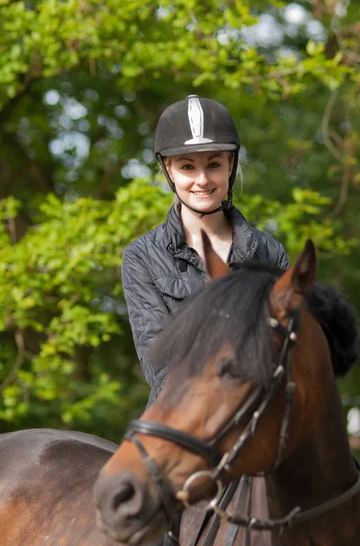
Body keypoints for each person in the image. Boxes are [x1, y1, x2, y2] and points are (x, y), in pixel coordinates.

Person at [122, 94, 290, 408]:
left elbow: (284, 352)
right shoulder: (141, 256)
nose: (202, 180)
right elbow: (158, 360)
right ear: (170, 171)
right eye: (188, 166)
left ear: (230, 167)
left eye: (213, 164)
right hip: (181, 415)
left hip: (258, 415)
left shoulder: (270, 254)